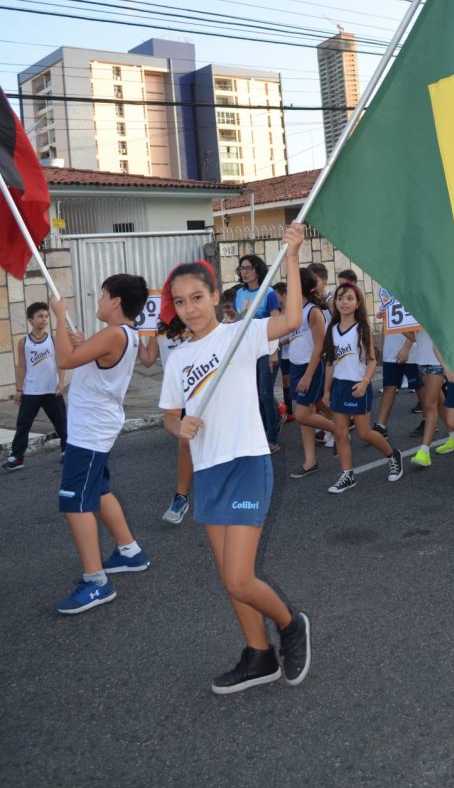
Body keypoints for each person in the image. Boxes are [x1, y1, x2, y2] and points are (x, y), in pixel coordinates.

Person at [158, 225, 311, 695]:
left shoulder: (242, 334)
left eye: (197, 297)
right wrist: (177, 427)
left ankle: (289, 625)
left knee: (239, 576)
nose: (189, 308)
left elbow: (289, 322)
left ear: (214, 298)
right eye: (180, 302)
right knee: (230, 579)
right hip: (209, 471)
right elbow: (169, 416)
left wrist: (291, 256)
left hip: (246, 462)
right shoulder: (179, 359)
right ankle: (258, 655)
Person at [51, 274, 150, 615]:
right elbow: (87, 357)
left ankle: (96, 582)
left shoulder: (112, 334)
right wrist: (79, 343)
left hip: (90, 430)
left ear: (116, 301)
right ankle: (129, 551)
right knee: (100, 489)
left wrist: (58, 316)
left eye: (103, 295)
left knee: (75, 501)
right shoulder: (125, 334)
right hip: (97, 425)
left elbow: (64, 360)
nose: (99, 301)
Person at [322, 282, 403, 493]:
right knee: (340, 432)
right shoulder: (331, 329)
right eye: (340, 298)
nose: (344, 302)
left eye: (349, 298)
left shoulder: (361, 328)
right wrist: (326, 390)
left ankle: (392, 454)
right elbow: (330, 362)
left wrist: (366, 381)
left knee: (364, 432)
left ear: (358, 303)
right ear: (336, 302)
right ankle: (347, 474)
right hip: (339, 385)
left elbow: (371, 360)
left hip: (358, 384)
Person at [138, 324, 192, 525]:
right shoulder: (157, 328)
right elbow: (148, 360)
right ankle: (181, 497)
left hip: (203, 389)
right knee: (185, 442)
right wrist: (137, 335)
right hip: (178, 395)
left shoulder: (194, 323)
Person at [3, 301, 67, 472]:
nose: (44, 319)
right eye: (40, 316)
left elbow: (60, 362)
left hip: (51, 390)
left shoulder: (53, 340)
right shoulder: (23, 342)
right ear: (31, 320)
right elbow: (22, 367)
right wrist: (19, 390)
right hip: (31, 391)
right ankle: (17, 457)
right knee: (23, 425)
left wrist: (61, 383)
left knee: (62, 424)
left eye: (46, 316)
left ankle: (67, 451)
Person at [287, 269, 335, 479]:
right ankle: (310, 461)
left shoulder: (313, 311)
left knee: (302, 414)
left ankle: (339, 429)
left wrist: (308, 375)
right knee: (304, 417)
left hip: (311, 367)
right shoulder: (296, 310)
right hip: (296, 366)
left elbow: (319, 346)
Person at [235, 254, 281, 453]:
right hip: (247, 351)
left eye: (248, 268)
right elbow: (240, 320)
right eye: (242, 268)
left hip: (265, 351)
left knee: (265, 394)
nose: (244, 272)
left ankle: (272, 438)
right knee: (253, 394)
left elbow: (276, 324)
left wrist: (273, 352)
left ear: (258, 270)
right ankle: (264, 430)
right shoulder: (239, 293)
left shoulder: (269, 294)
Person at [410, 328, 454, 468]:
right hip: (422, 359)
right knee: (438, 401)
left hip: (438, 360)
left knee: (429, 403)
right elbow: (413, 336)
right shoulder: (415, 311)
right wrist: (389, 322)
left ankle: (425, 450)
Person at [373, 326, 422, 438]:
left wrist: (407, 347)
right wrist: (383, 347)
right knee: (388, 387)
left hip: (412, 352)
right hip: (390, 352)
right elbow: (385, 324)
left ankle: (429, 422)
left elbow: (414, 324)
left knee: (421, 389)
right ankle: (381, 426)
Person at [273, 281, 295, 422]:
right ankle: (289, 410)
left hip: (294, 352)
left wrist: (281, 342)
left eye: (276, 296)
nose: (275, 300)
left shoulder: (293, 311)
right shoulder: (278, 311)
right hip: (283, 353)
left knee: (295, 380)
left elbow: (296, 335)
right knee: (286, 380)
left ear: (284, 295)